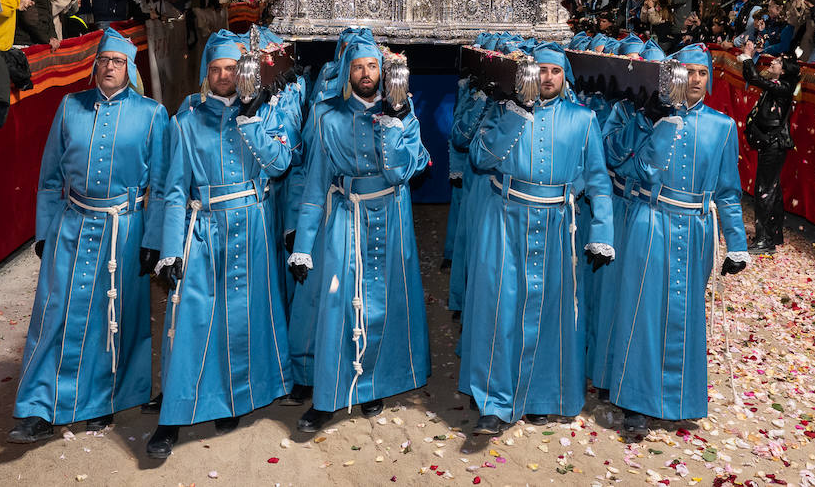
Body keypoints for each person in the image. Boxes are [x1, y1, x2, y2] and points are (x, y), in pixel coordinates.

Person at [8, 29, 169, 444]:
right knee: (53, 314)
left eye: (118, 61)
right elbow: (50, 177)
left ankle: (103, 400)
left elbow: (162, 187)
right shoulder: (70, 107)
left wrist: (154, 240)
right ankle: (37, 407)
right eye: (104, 61)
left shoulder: (153, 114)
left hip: (125, 230)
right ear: (95, 66)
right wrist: (44, 230)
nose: (109, 67)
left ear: (130, 68)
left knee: (112, 318)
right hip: (72, 226)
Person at [144, 31, 294, 458]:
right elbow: (174, 190)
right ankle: (171, 418)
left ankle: (232, 399)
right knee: (189, 321)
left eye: (231, 68)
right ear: (205, 74)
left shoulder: (265, 114)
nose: (224, 76)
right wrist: (170, 249)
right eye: (216, 69)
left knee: (244, 318)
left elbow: (281, 164)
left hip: (252, 229)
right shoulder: (185, 122)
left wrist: (251, 121)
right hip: (204, 229)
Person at [460, 42, 615, 434]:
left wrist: (602, 231)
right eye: (541, 70)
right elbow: (479, 158)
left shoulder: (583, 119)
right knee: (501, 307)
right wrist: (515, 114)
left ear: (565, 77)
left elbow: (598, 179)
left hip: (557, 226)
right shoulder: (503, 110)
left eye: (555, 71)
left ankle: (542, 396)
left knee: (551, 310)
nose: (547, 77)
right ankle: (494, 402)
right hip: (504, 220)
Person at [287, 33, 430, 431]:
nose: (366, 74)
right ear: (347, 73)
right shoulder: (326, 114)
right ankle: (328, 395)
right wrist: (303, 245)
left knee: (383, 302)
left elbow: (406, 170)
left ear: (383, 71)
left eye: (372, 66)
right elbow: (315, 184)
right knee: (339, 303)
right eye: (358, 67)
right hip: (345, 218)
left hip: (392, 217)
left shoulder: (404, 112)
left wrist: (397, 122)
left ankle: (373, 386)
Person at [603, 44, 749, 432]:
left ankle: (678, 399)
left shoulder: (723, 127)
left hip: (697, 231)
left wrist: (737, 244)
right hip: (650, 222)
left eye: (702, 73)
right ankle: (635, 403)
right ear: (672, 76)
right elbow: (625, 163)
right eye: (687, 72)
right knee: (643, 310)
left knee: (686, 315)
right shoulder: (650, 117)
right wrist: (652, 124)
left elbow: (728, 191)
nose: (695, 80)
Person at [738, 41, 800, 254]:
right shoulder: (777, 84)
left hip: (774, 144)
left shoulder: (784, 87)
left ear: (783, 71)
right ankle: (773, 234)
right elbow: (753, 78)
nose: (772, 62)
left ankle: (764, 240)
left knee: (764, 190)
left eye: (778, 62)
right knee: (772, 188)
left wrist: (748, 57)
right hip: (771, 143)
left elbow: (754, 78)